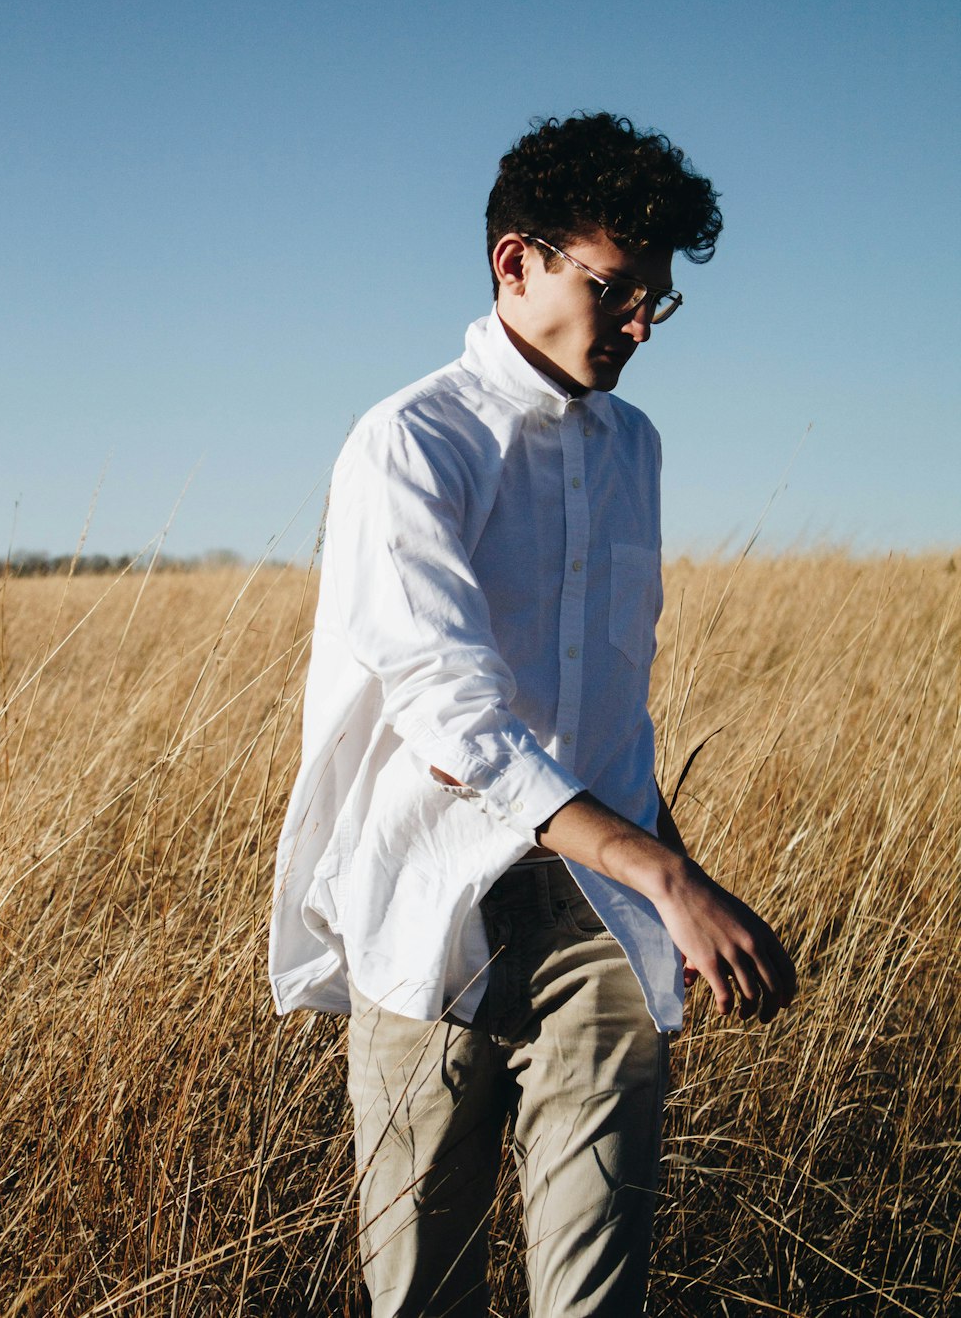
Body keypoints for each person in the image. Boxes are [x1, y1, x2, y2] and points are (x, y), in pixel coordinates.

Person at [269, 111, 796, 1317]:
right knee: (423, 1294)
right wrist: (669, 877)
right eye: (618, 289)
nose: (640, 324)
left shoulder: (635, 450)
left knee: (597, 1300)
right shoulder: (407, 442)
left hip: (602, 924)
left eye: (658, 299)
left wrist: (671, 875)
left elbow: (611, 706)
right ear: (518, 262)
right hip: (429, 913)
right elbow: (453, 718)